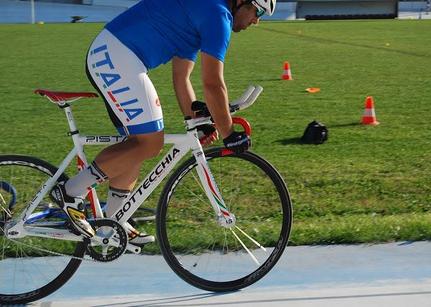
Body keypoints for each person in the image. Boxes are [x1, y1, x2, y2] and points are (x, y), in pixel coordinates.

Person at [51, 0, 276, 245]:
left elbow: (182, 78)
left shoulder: (205, 11)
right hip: (119, 57)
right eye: (259, 11)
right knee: (150, 142)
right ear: (241, 1)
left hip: (113, 53)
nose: (257, 20)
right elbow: (213, 84)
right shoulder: (217, 15)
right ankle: (70, 192)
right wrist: (229, 132)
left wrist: (197, 121)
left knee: (135, 144)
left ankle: (113, 223)